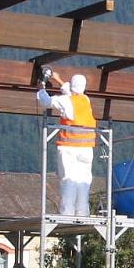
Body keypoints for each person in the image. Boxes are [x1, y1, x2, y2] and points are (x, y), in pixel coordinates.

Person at [36, 70, 96, 217]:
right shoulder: (86, 100)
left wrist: (41, 88)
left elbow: (46, 101)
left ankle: (67, 212)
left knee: (68, 179)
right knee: (84, 180)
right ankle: (82, 212)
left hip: (69, 147)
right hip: (87, 149)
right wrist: (59, 80)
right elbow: (71, 93)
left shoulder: (65, 101)